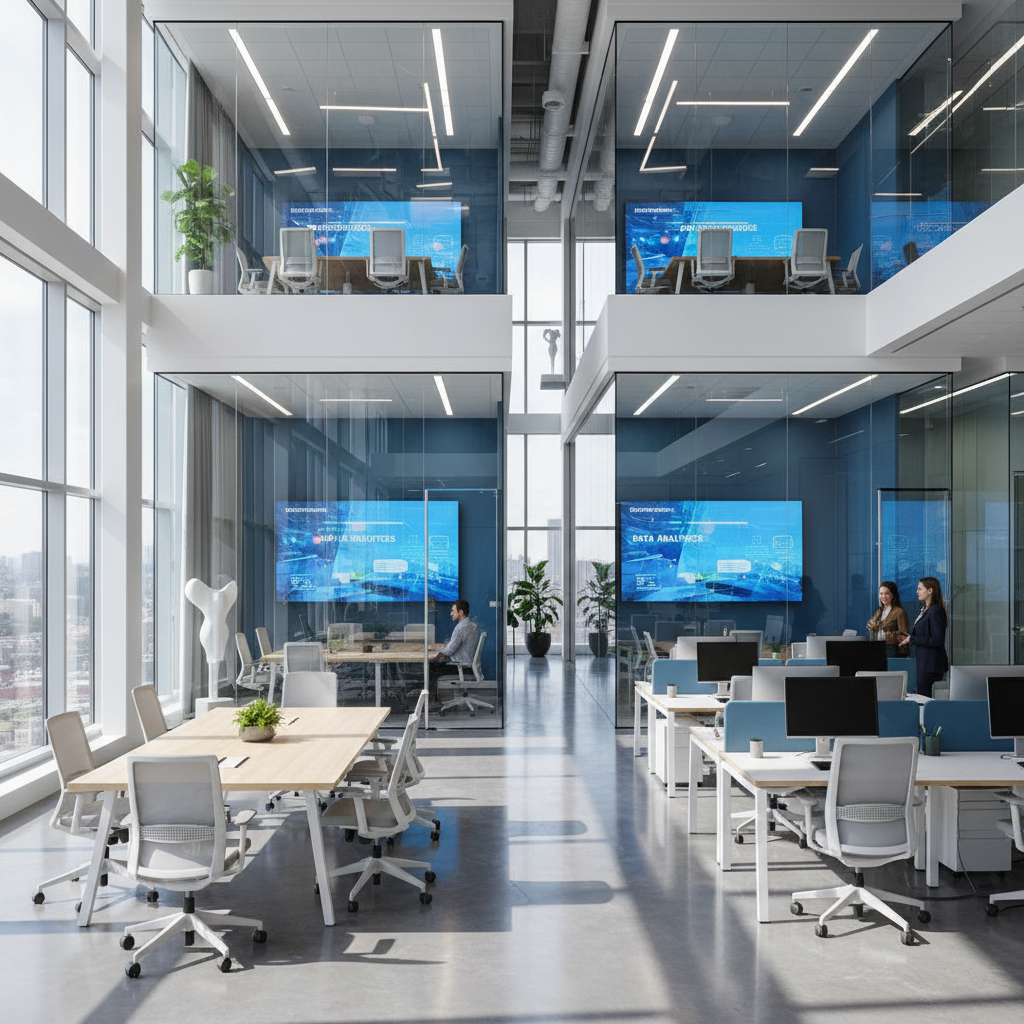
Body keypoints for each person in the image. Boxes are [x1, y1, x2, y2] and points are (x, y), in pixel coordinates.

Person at [897, 576, 948, 698]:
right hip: (925, 663)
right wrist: (909, 637)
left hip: (931, 665)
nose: (917, 591)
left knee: (925, 698)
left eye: (920, 589)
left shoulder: (935, 611)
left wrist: (912, 639)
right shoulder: (926, 609)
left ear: (930, 590)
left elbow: (937, 640)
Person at [429, 600, 479, 699]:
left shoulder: (461, 627)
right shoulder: (469, 624)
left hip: (462, 668)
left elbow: (449, 651)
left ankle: (431, 703)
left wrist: (434, 653)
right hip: (468, 666)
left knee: (431, 669)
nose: (451, 613)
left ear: (461, 612)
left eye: (453, 611)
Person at [866, 581, 910, 657]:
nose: (883, 596)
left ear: (892, 595)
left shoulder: (899, 612)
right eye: (881, 593)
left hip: (892, 650)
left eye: (887, 593)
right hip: (877, 648)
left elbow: (904, 636)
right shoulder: (879, 611)